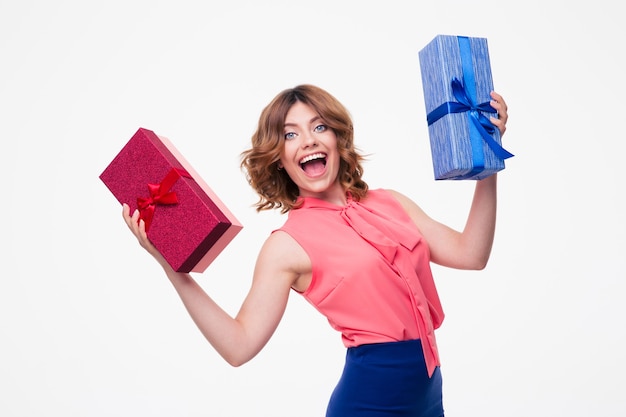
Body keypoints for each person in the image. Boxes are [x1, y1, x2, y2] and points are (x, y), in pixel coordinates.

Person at [122, 84, 508, 417]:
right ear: (278, 158)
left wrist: (489, 154)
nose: (308, 140)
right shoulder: (285, 245)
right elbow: (238, 346)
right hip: (369, 403)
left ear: (337, 138)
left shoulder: (391, 202)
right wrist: (174, 270)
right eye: (290, 135)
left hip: (430, 397)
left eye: (319, 126)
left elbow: (471, 254)